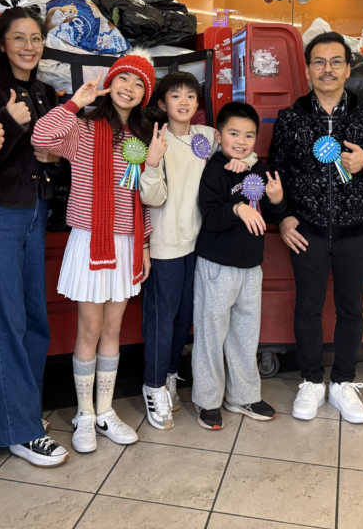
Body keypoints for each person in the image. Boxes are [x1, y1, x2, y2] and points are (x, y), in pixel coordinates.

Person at [268, 32, 363, 424]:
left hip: (356, 232)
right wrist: (284, 216)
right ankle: (312, 381)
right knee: (307, 308)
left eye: (335, 62)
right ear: (308, 69)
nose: (327, 69)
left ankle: (344, 382)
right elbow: (275, 173)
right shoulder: (291, 119)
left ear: (347, 68)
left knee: (350, 309)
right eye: (319, 62)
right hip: (306, 231)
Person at [31, 50, 156, 454]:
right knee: (88, 328)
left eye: (139, 84)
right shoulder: (84, 128)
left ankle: (106, 410)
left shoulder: (140, 138)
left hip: (126, 242)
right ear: (111, 81)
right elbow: (41, 137)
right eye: (125, 80)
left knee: (113, 330)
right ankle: (84, 414)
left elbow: (140, 198)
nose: (130, 89)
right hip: (91, 239)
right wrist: (74, 102)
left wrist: (146, 244)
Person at [0, 6, 68, 468]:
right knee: (5, 320)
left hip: (35, 211)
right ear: (2, 43)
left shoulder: (47, 91)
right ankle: (18, 429)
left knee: (34, 318)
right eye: (19, 38)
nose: (29, 47)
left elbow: (54, 151)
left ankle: (24, 413)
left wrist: (55, 157)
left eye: (36, 38)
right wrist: (10, 123)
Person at [138, 72, 253, 429]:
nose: (184, 102)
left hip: (200, 246)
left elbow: (238, 150)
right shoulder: (156, 140)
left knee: (185, 318)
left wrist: (244, 164)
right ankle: (153, 385)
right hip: (166, 245)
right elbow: (150, 197)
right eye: (176, 96)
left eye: (191, 95)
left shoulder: (205, 138)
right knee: (161, 320)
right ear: (162, 104)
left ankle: (172, 375)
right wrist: (153, 163)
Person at [192, 101, 285, 431]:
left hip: (251, 268)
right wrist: (237, 209)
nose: (241, 141)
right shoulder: (213, 169)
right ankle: (207, 401)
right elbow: (211, 216)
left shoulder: (258, 169)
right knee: (210, 335)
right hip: (217, 266)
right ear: (219, 135)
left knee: (246, 335)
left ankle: (243, 395)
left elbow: (270, 217)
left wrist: (275, 199)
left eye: (249, 135)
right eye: (233, 133)